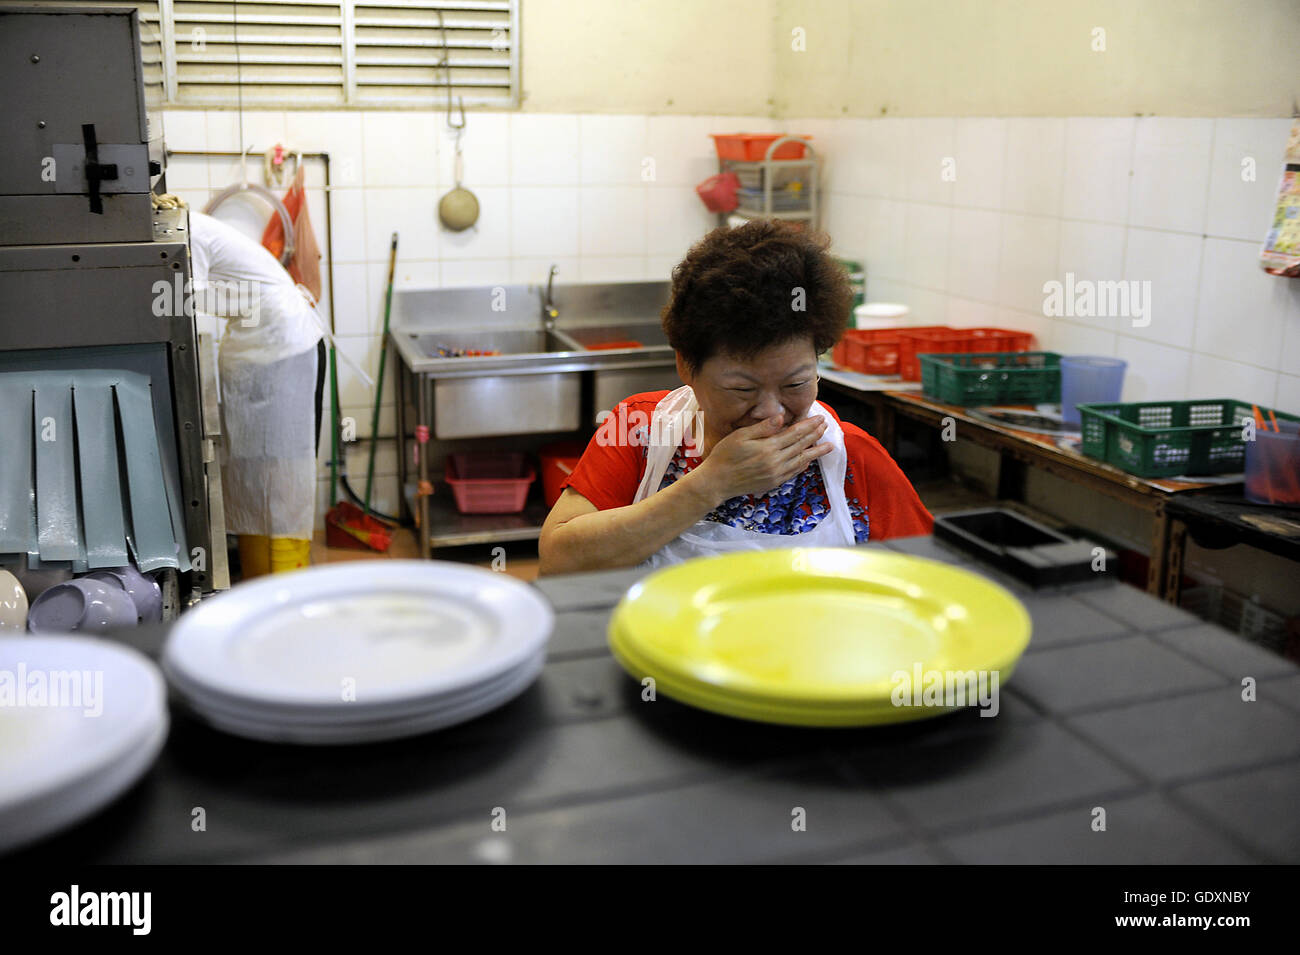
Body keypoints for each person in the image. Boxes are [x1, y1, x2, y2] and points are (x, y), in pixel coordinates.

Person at [538, 220, 933, 576]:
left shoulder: (851, 460)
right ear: (686, 366)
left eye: (795, 384)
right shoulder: (640, 431)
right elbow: (559, 562)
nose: (771, 412)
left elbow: (930, 584)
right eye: (742, 389)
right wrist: (710, 484)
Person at [187, 211, 325, 577]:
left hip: (283, 345)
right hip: (263, 345)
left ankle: (284, 578)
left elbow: (189, 297)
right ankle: (261, 574)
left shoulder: (190, 233)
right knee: (254, 471)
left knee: (281, 474)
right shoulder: (192, 229)